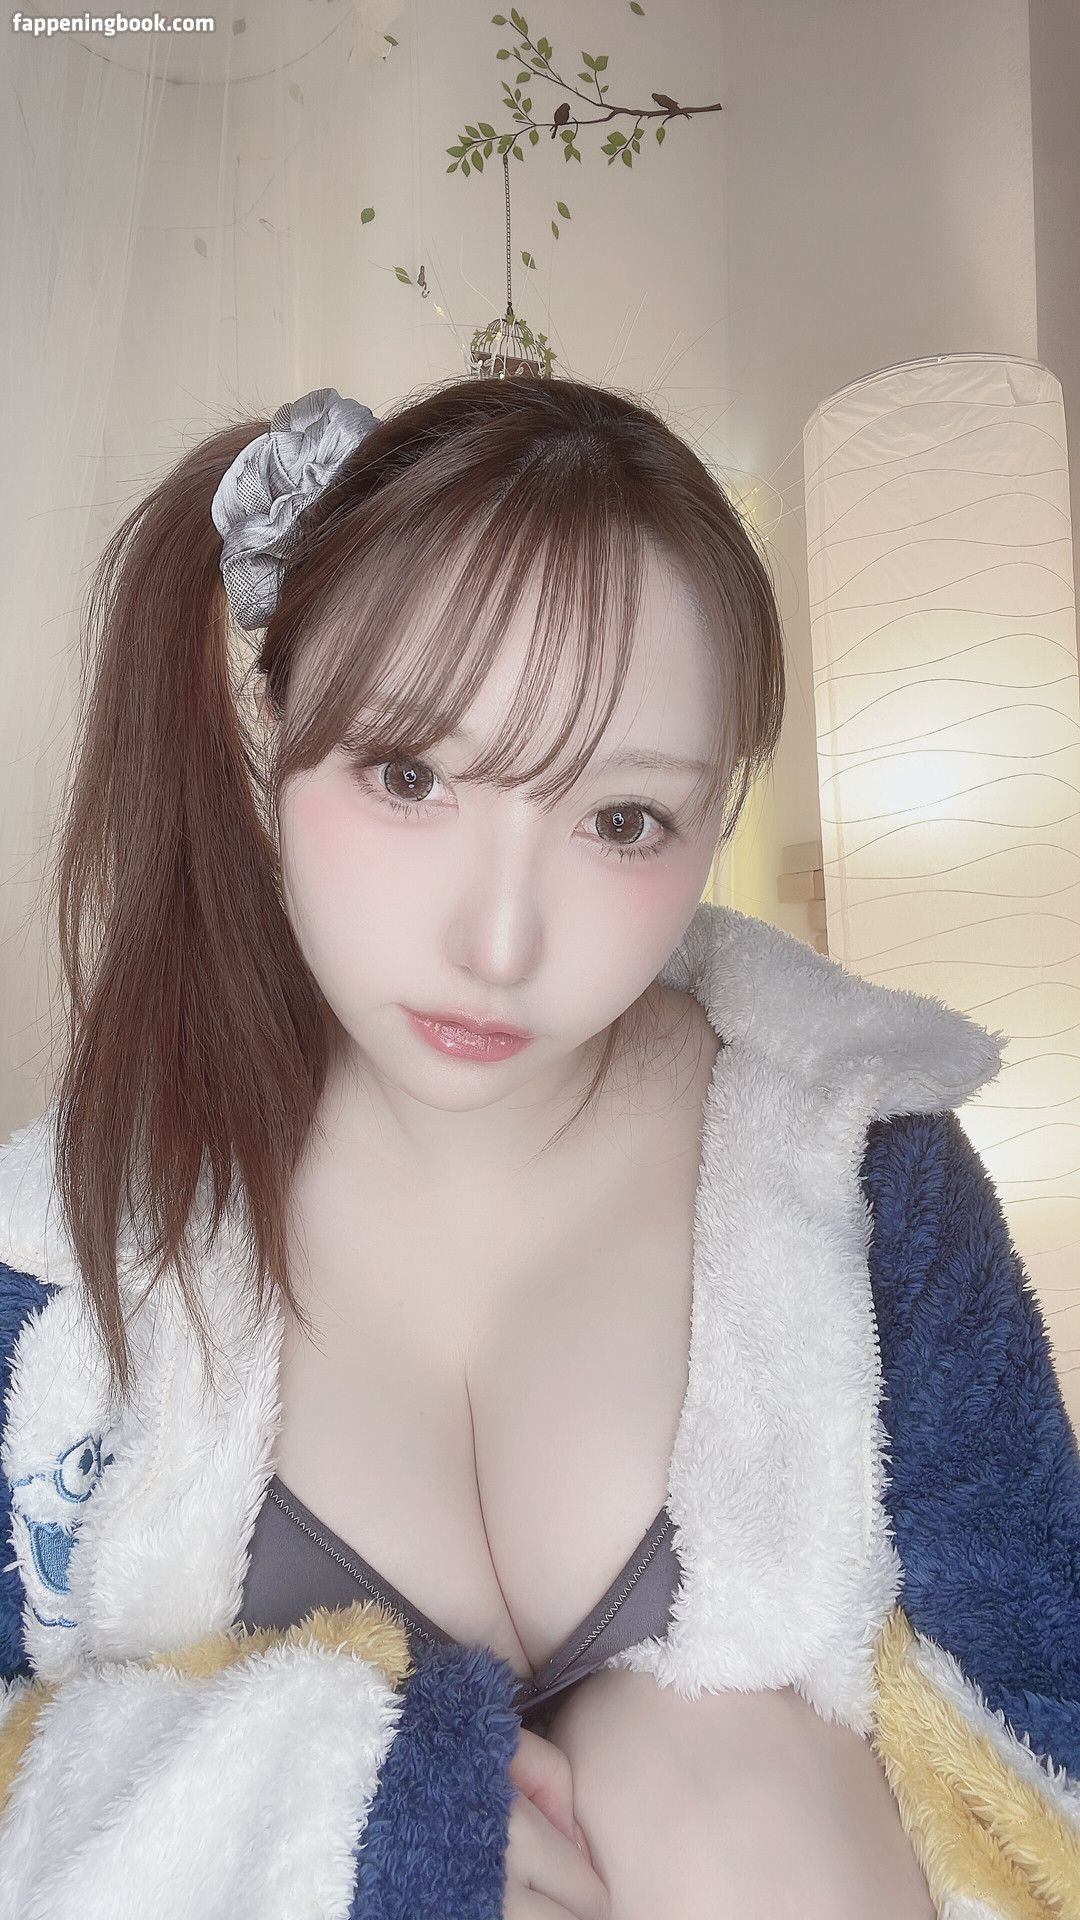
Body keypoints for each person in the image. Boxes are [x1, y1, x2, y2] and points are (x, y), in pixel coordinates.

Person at [0, 377, 1077, 1920]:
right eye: (410, 777)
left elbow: (1043, 1740)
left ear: (715, 814)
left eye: (624, 820)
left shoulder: (861, 1179)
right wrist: (349, 1824)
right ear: (273, 727)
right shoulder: (60, 1259)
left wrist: (718, 1788)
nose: (497, 944)